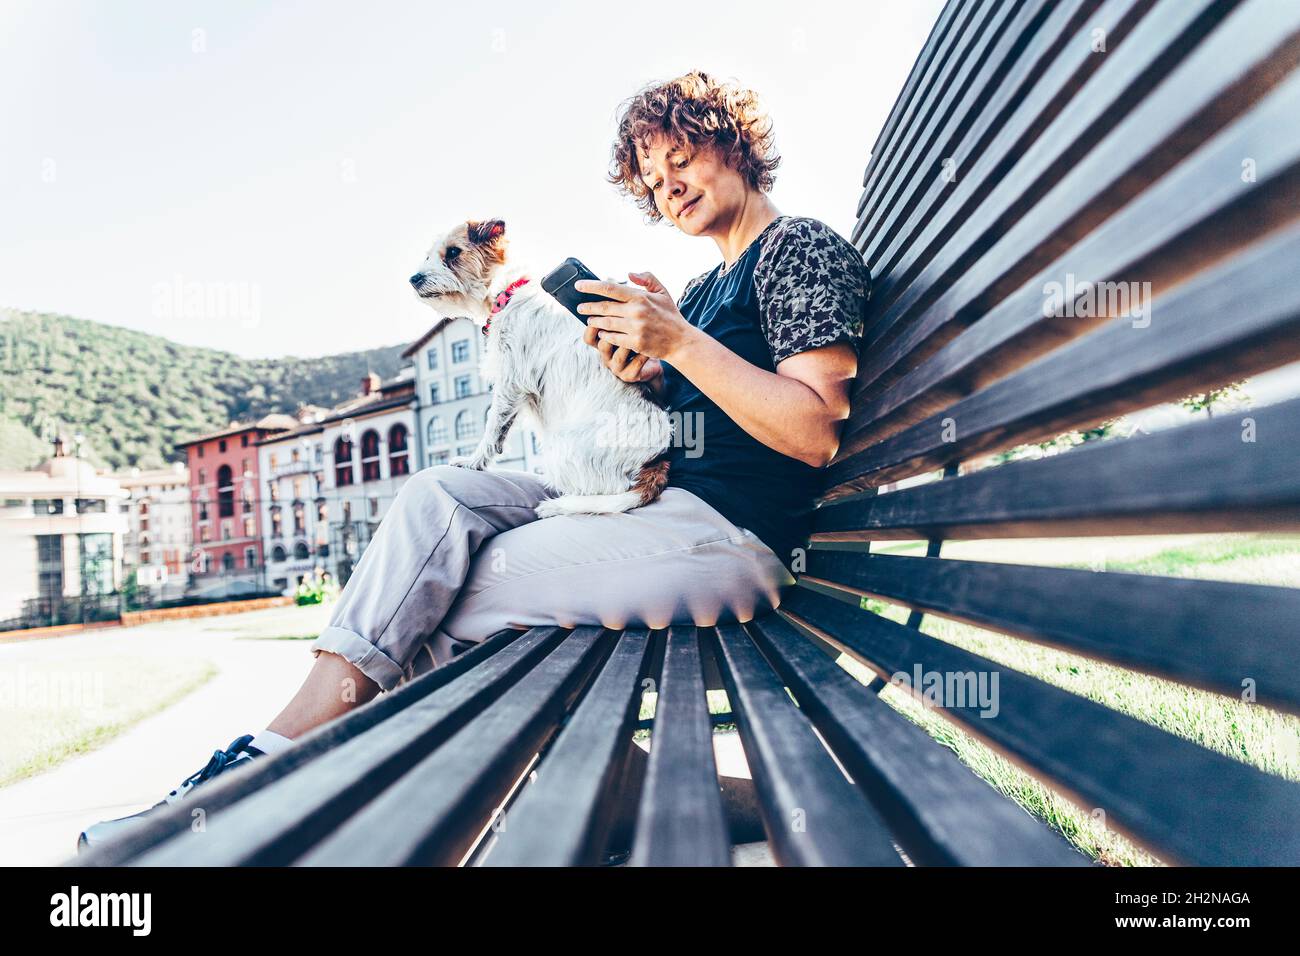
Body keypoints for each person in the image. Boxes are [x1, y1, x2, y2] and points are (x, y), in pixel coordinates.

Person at [77, 69, 871, 850]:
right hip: (656, 504)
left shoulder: (796, 248)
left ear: (732, 143)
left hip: (730, 535)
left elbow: (811, 428)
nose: (670, 187)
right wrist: (648, 364)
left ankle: (266, 787)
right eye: (654, 180)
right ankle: (284, 773)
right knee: (437, 499)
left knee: (435, 599)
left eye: (681, 159)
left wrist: (681, 343)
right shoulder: (703, 285)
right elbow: (680, 410)